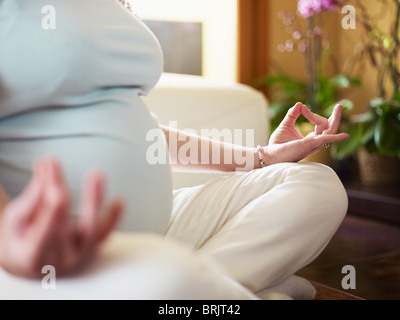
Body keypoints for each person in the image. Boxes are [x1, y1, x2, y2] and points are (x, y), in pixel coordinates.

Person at [0, 0, 349, 300]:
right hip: (59, 244)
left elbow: (142, 129)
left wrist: (261, 158)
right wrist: (6, 243)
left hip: (161, 228)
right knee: (168, 278)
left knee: (318, 187)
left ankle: (214, 289)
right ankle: (226, 287)